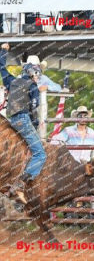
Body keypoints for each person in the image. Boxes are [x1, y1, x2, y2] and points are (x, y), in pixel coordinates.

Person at [0, 43, 47, 203]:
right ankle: (20, 183)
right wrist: (34, 126)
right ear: (36, 71)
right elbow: (34, 108)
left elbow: (1, 67)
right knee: (40, 153)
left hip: (11, 118)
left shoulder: (12, 81)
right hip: (23, 119)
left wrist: (4, 51)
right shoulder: (33, 87)